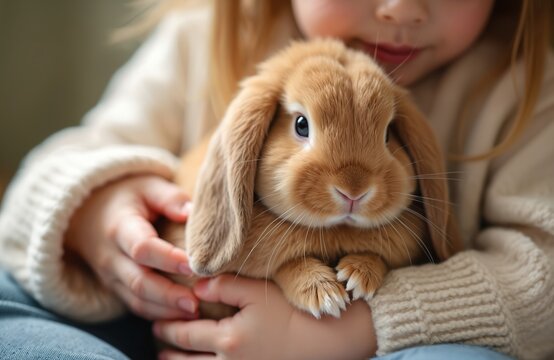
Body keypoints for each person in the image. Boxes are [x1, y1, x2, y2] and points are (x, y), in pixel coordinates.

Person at [0, 0, 552, 359]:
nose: (401, 8)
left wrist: (362, 327)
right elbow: (47, 176)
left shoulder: (525, 79)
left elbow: (542, 272)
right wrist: (96, 214)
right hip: (169, 331)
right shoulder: (200, 38)